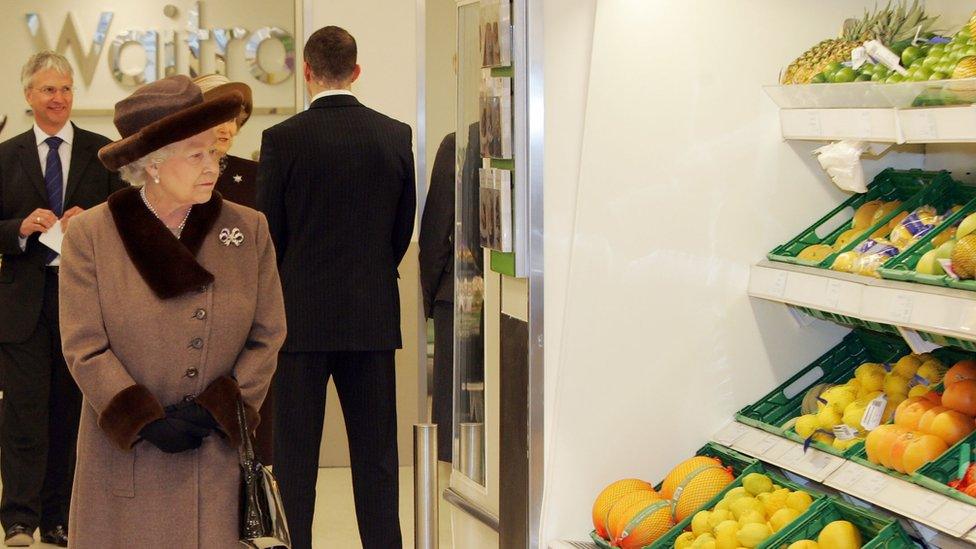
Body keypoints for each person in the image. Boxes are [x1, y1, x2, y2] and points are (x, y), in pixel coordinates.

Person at [58, 74, 286, 548]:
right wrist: (141, 417)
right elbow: (84, 345)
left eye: (215, 154)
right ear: (153, 166)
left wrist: (222, 408)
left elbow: (268, 334)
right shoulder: (92, 236)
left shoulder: (248, 230)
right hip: (126, 457)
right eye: (197, 154)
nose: (214, 167)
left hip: (214, 453)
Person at [257, 25, 415, 549]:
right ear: (357, 70)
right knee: (377, 459)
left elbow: (270, 232)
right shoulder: (394, 135)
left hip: (299, 318)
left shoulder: (281, 140)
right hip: (371, 316)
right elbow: (401, 230)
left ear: (306, 72)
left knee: (295, 461)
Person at [0, 51, 125, 548]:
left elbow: (125, 220)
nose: (59, 98)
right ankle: (18, 520)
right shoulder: (5, 156)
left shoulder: (103, 153)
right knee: (23, 415)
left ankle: (61, 516)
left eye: (67, 89)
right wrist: (18, 230)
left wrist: (89, 221)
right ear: (28, 95)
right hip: (22, 306)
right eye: (49, 89)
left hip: (82, 301)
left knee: (72, 412)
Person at [191, 73, 274, 466]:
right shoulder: (176, 178)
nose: (226, 127)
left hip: (246, 328)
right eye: (218, 115)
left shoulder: (259, 177)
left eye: (235, 117)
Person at [418, 132, 455, 462]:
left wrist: (428, 299)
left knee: (452, 400)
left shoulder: (460, 142)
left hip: (457, 294)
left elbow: (434, 234)